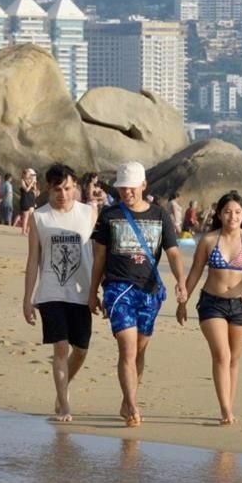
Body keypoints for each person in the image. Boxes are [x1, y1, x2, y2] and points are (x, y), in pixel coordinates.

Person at [88, 161, 186, 428]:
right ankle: (132, 405)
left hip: (149, 290)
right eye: (122, 188)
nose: (126, 193)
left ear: (143, 185)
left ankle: (128, 398)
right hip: (118, 288)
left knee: (140, 350)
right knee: (127, 349)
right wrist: (92, 291)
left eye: (131, 188)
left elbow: (173, 252)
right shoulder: (109, 215)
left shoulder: (159, 215)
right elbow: (99, 257)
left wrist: (181, 282)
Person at [175, 190, 242, 425]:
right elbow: (196, 271)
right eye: (227, 212)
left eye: (237, 212)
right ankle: (225, 409)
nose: (233, 216)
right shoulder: (209, 240)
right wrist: (183, 301)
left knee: (234, 358)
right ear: (219, 213)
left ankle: (229, 404)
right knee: (222, 354)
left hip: (241, 304)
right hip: (212, 304)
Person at [23, 163, 97, 422]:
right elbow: (33, 260)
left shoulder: (89, 213)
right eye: (57, 189)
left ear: (75, 187)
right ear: (48, 189)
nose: (63, 194)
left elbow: (99, 255)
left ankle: (62, 389)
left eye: (67, 188)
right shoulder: (39, 217)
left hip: (82, 292)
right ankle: (64, 406)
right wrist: (27, 299)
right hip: (51, 292)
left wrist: (99, 291)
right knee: (62, 348)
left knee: (82, 349)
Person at [19, 168, 38, 235]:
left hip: (31, 199)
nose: (30, 175)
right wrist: (31, 183)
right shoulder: (22, 181)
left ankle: (28, 230)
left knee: (31, 216)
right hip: (25, 199)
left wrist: (34, 184)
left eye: (30, 174)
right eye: (28, 173)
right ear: (24, 174)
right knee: (25, 216)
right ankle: (23, 231)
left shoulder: (31, 181)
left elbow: (35, 192)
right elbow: (26, 190)